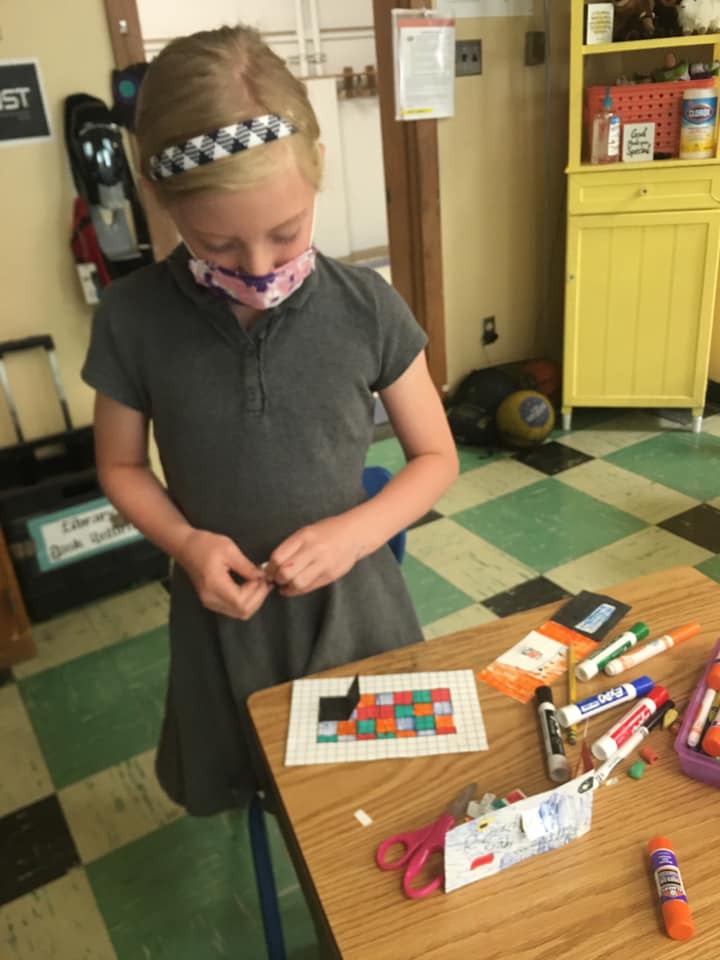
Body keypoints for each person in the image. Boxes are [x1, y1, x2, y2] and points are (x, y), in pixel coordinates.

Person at [82, 24, 459, 817]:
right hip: (223, 614)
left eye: (285, 232)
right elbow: (119, 465)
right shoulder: (132, 319)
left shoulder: (368, 308)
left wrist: (354, 534)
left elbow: (436, 457)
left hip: (355, 610)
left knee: (382, 790)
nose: (258, 267)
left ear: (317, 167)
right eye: (217, 242)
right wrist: (186, 544)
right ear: (162, 201)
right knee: (252, 779)